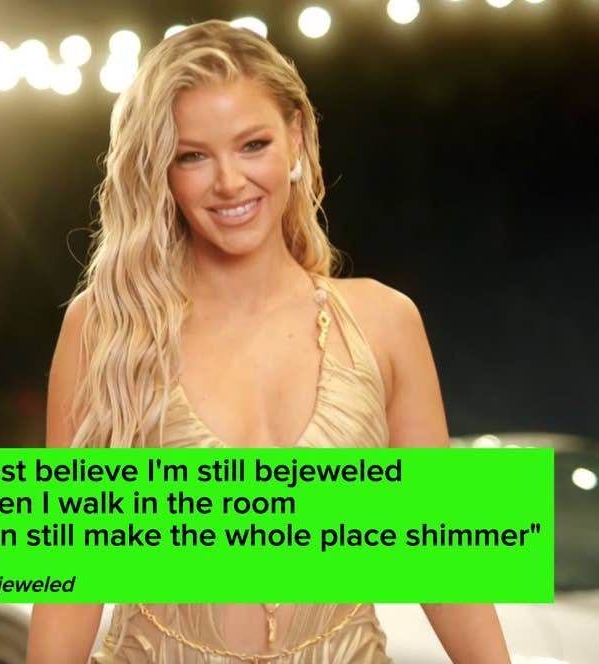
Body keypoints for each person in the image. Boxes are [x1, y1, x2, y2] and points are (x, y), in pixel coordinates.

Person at [26, 19, 511, 664]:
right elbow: (71, 571)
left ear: (298, 139)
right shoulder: (108, 327)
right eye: (192, 155)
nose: (229, 182)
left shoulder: (386, 321)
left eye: (252, 144)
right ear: (161, 173)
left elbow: (445, 561)